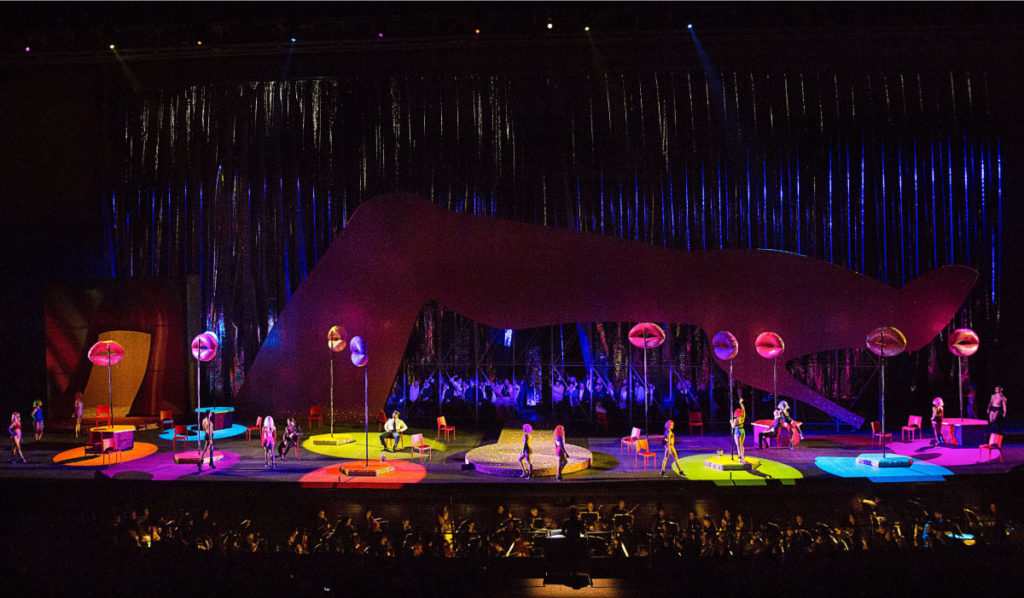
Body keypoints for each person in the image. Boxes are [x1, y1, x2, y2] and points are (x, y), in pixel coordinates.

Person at [731, 397, 746, 462]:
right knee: (741, 444)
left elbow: (733, 426)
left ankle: (740, 455)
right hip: (742, 430)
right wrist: (741, 403)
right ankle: (743, 455)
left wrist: (731, 422)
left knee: (738, 445)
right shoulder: (743, 417)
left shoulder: (736, 419)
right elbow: (743, 409)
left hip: (737, 431)